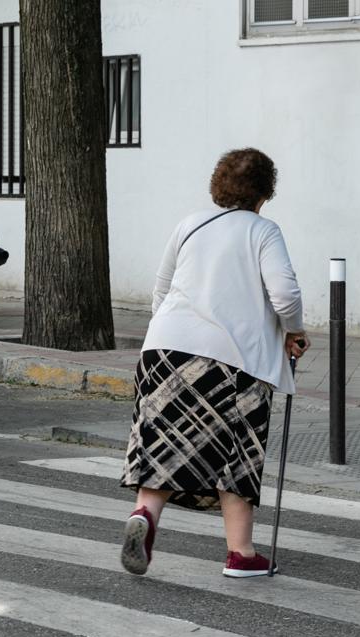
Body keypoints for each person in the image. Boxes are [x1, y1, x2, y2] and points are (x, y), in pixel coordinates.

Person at [120, 148, 309, 579]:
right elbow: (285, 295)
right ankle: (241, 554)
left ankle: (145, 515)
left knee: (164, 444)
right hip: (233, 359)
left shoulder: (190, 224)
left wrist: (169, 331)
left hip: (164, 349)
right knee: (236, 451)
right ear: (265, 192)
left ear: (219, 185)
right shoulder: (263, 230)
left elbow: (161, 289)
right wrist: (294, 331)